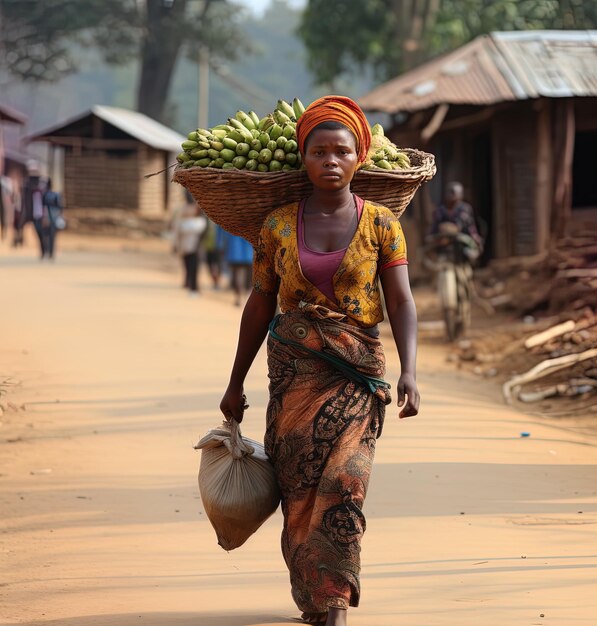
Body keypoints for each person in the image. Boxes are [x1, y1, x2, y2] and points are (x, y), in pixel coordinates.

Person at [219, 95, 419, 626]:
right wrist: (234, 381)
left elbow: (400, 300)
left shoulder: (381, 225)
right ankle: (312, 593)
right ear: (302, 159)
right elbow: (259, 303)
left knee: (345, 485)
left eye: (342, 151)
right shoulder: (278, 226)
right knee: (299, 489)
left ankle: (335, 598)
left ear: (360, 159)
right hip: (293, 378)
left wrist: (411, 371)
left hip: (356, 374)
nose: (330, 161)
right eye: (318, 152)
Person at [429, 181, 483, 253]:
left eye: (453, 192)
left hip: (462, 239)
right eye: (449, 192)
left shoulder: (465, 208)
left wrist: (475, 237)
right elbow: (435, 226)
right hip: (442, 239)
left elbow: (468, 226)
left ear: (460, 194)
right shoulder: (440, 210)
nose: (450, 195)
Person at [172, 192, 205, 296]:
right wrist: (176, 244)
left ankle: (194, 287)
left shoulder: (199, 208)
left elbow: (203, 228)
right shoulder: (183, 209)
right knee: (187, 265)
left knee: (194, 267)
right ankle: (189, 284)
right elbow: (177, 229)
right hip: (185, 244)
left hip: (196, 244)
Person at [219, 230, 253, 306]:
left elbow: (223, 232)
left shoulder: (231, 219)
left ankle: (239, 297)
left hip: (235, 249)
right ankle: (245, 297)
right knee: (248, 275)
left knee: (237, 274)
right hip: (247, 250)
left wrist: (221, 245)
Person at [33, 178, 64, 260]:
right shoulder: (56, 195)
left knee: (46, 235)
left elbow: (44, 207)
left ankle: (46, 251)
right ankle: (51, 253)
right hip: (54, 218)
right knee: (52, 236)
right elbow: (60, 207)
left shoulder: (45, 195)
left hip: (46, 218)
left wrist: (44, 217)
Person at [201, 218, 222, 289]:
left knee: (216, 266)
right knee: (210, 265)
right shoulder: (206, 220)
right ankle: (214, 282)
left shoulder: (220, 221)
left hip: (217, 247)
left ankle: (216, 282)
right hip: (208, 247)